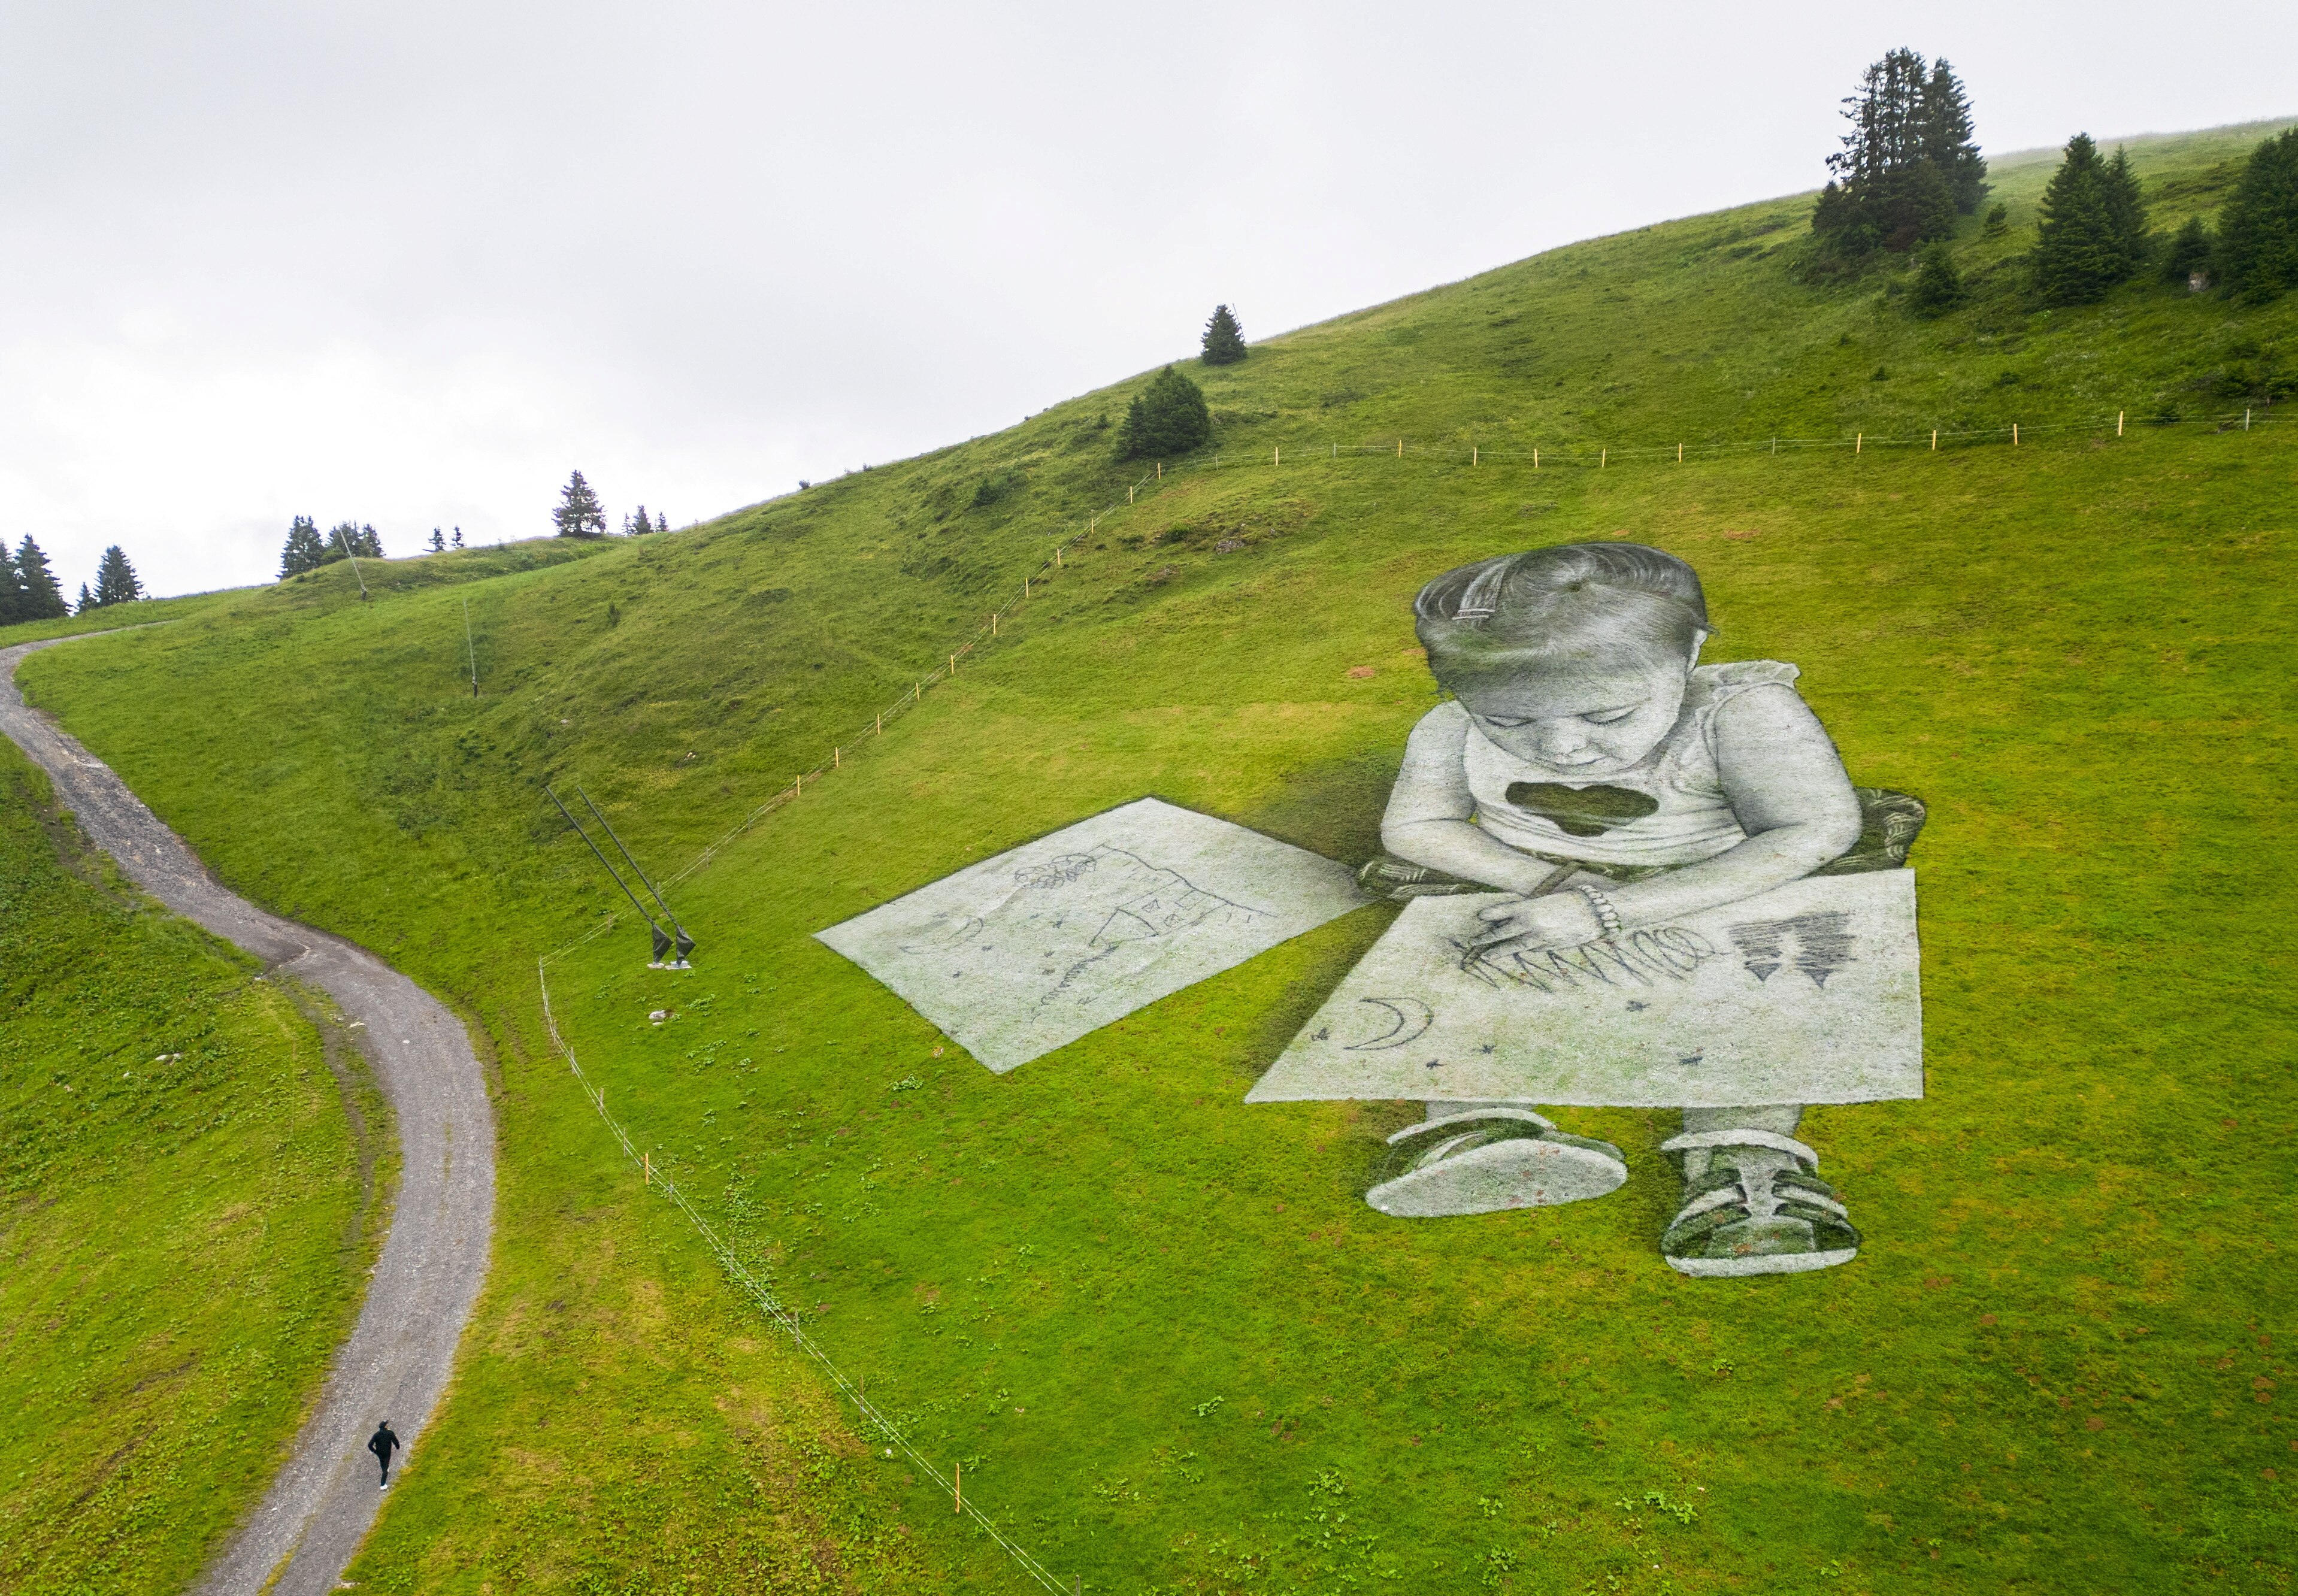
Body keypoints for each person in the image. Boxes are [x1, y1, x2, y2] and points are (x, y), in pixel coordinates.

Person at [1359, 541, 1916, 1276]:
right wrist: (1547, 884)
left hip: (1720, 884)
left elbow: (1815, 828)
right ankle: (1473, 1126)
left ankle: (1744, 1170)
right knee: (1468, 965)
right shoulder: (1449, 728)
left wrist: (1616, 912)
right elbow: (1414, 828)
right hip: (1542, 888)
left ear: (1687, 656)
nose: (1563, 747)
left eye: (1610, 713)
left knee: (1762, 996)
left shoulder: (1745, 711)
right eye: (1510, 723)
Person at [368, 1421, 399, 1489]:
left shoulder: (376, 1435)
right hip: (387, 1452)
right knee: (386, 1467)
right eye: (387, 1425)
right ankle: (383, 1484)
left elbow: (370, 1445)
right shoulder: (390, 1433)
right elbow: (395, 1440)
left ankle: (385, 1469)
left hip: (379, 1452)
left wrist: (374, 1451)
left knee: (382, 1462)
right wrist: (397, 1447)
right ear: (385, 1426)